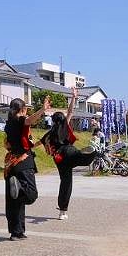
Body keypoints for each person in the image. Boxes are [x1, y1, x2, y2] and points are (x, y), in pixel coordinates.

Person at [39, 88, 96, 220]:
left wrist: (29, 147)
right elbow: (70, 111)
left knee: (66, 183)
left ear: (53, 121)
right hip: (68, 151)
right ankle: (90, 154)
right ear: (63, 119)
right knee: (80, 157)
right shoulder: (65, 125)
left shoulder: (49, 134)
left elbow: (38, 143)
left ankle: (62, 211)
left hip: (59, 159)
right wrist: (74, 97)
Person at [4, 96, 50, 241]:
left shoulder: (8, 123)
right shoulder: (19, 120)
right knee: (30, 194)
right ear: (22, 109)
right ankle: (19, 189)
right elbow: (29, 120)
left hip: (11, 163)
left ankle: (16, 232)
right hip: (23, 162)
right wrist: (43, 109)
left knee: (15, 202)